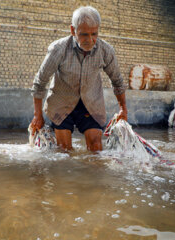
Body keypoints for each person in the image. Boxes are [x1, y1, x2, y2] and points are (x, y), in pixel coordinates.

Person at [30, 6, 127, 151]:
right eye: (84, 34)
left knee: (96, 147)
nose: (90, 40)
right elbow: (39, 82)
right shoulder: (58, 49)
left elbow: (117, 81)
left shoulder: (106, 51)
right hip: (61, 103)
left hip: (91, 104)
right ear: (72, 30)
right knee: (64, 149)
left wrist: (123, 110)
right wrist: (37, 115)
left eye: (94, 33)